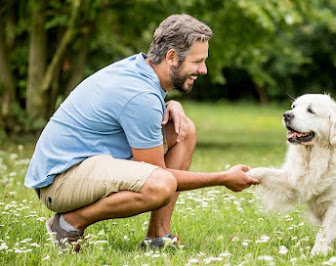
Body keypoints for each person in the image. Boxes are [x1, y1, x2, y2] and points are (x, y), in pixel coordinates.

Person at [24, 14, 260, 252]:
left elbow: (134, 112)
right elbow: (157, 173)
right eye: (197, 61)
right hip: (59, 181)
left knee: (184, 130)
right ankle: (67, 225)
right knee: (160, 184)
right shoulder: (140, 95)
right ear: (171, 57)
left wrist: (171, 105)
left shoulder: (141, 69)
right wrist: (222, 178)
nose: (204, 69)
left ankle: (158, 237)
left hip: (81, 164)